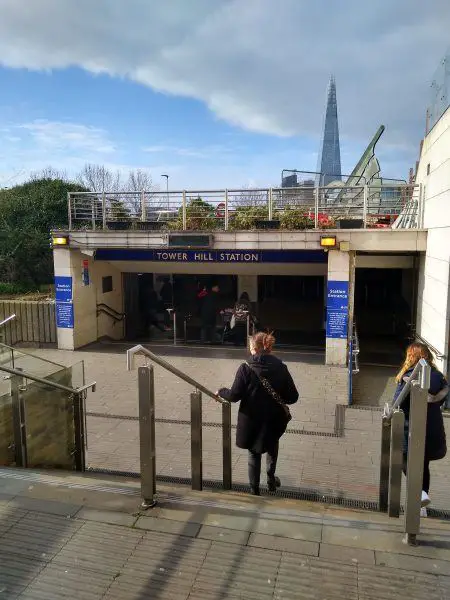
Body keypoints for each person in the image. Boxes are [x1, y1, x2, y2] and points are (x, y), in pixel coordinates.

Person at [217, 332, 299, 495]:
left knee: (254, 453)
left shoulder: (245, 368)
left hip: (252, 419)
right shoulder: (281, 367)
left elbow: (234, 396)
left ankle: (254, 490)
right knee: (272, 444)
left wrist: (221, 391)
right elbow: (293, 397)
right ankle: (270, 478)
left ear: (254, 347)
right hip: (274, 419)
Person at [393, 342, 448, 516]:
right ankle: (421, 506)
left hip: (412, 429)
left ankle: (419, 494)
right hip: (432, 430)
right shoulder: (439, 376)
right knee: (423, 465)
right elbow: (443, 400)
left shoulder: (409, 376)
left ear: (411, 357)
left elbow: (397, 402)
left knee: (404, 461)